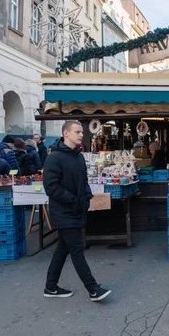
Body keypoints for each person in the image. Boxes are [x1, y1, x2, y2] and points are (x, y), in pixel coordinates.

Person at [43, 120, 111, 301]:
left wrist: (87, 196)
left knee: (62, 250)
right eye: (78, 132)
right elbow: (51, 187)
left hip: (77, 209)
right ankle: (93, 289)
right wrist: (72, 199)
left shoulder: (78, 156)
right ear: (66, 133)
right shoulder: (54, 157)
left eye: (82, 132)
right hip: (64, 211)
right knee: (77, 249)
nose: (81, 135)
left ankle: (50, 286)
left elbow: (83, 181)